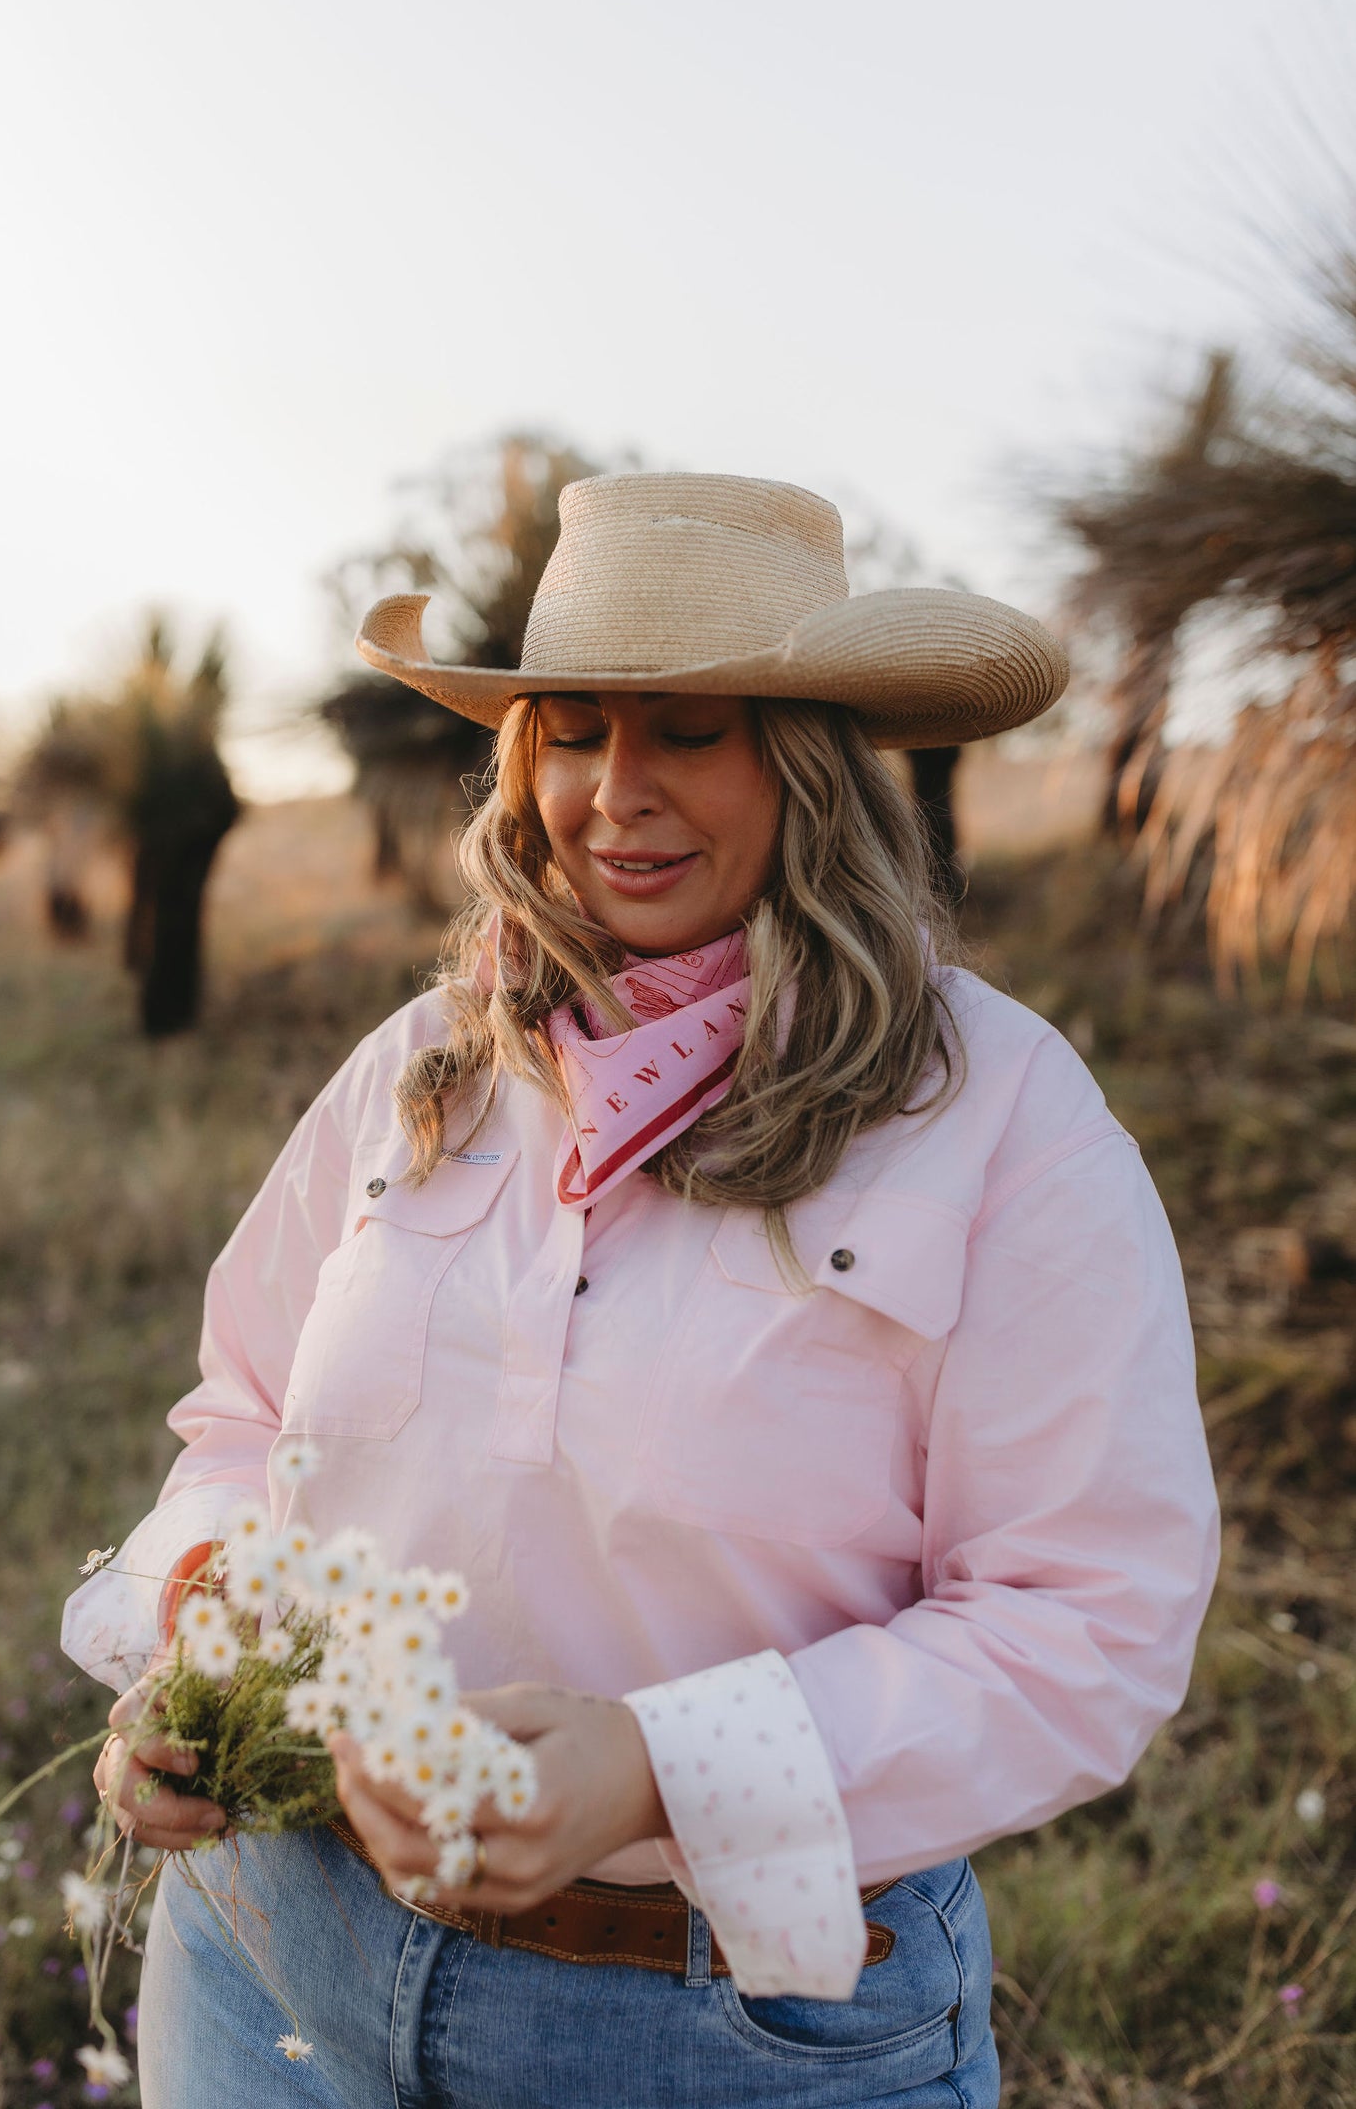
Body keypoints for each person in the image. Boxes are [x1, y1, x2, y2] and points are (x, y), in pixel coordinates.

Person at [63, 472, 1220, 2109]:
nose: (616, 794)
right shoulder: (425, 1064)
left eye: (689, 732)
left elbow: (1087, 1620)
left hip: (712, 2028)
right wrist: (196, 1648)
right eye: (576, 730)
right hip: (272, 1952)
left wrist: (663, 1767)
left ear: (808, 758)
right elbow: (245, 1424)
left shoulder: (997, 1115)